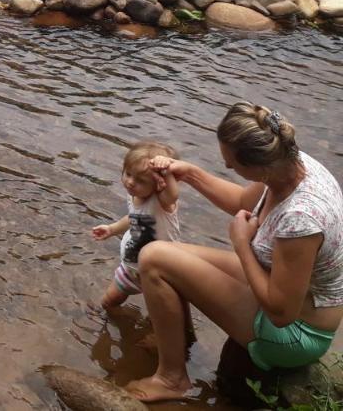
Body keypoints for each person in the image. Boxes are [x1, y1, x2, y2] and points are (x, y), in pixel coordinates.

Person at [125, 103, 343, 403]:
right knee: (167, 254)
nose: (228, 169)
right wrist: (189, 173)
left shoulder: (301, 219)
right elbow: (242, 200)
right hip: (285, 290)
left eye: (231, 165)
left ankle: (172, 378)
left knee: (153, 259)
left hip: (296, 333)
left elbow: (281, 313)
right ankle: (178, 340)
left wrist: (241, 245)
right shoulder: (291, 163)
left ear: (261, 167)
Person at [91, 141, 181, 310]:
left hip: (159, 273)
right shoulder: (134, 195)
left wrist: (167, 172)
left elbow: (173, 194)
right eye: (128, 173)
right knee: (109, 302)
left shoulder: (162, 202)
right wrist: (112, 229)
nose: (130, 182)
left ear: (159, 184)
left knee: (161, 312)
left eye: (140, 180)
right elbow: (134, 217)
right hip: (131, 268)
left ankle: (153, 332)